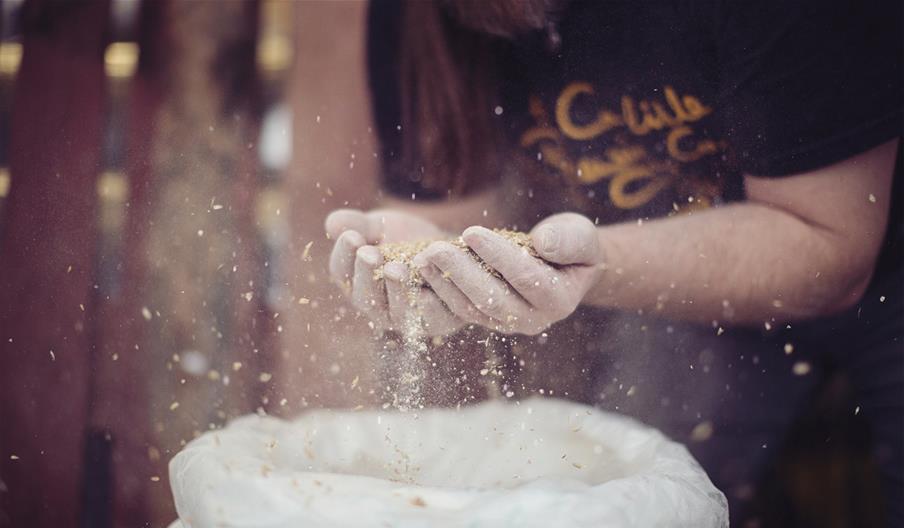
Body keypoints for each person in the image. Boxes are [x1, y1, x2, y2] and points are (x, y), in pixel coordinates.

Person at [324, 0, 902, 524]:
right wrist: (431, 264)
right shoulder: (419, 12)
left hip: (878, 267)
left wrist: (593, 265)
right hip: (680, 284)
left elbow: (829, 250)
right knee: (646, 490)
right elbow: (445, 213)